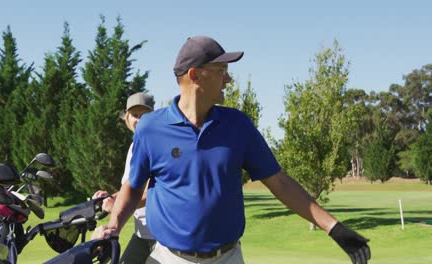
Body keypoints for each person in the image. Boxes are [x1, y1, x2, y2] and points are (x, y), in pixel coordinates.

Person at [93, 36, 371, 264]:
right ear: (195, 75)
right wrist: (115, 226)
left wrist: (333, 228)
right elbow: (132, 189)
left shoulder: (238, 125)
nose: (228, 79)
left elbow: (281, 184)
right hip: (169, 259)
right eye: (221, 71)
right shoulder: (151, 128)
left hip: (228, 257)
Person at [92, 92, 156, 264]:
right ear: (127, 118)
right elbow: (131, 187)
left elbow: (153, 192)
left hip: (162, 238)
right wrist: (109, 198)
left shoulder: (157, 145)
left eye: (144, 115)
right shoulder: (134, 146)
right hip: (142, 233)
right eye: (134, 115)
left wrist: (116, 205)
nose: (139, 120)